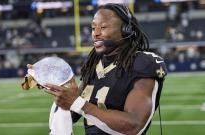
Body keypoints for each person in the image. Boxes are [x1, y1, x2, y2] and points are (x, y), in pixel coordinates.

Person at [44, 3, 167, 135]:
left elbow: (133, 126)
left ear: (126, 30)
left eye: (103, 27)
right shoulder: (94, 64)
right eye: (93, 28)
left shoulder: (142, 63)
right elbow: (70, 113)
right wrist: (62, 91)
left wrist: (79, 103)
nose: (95, 33)